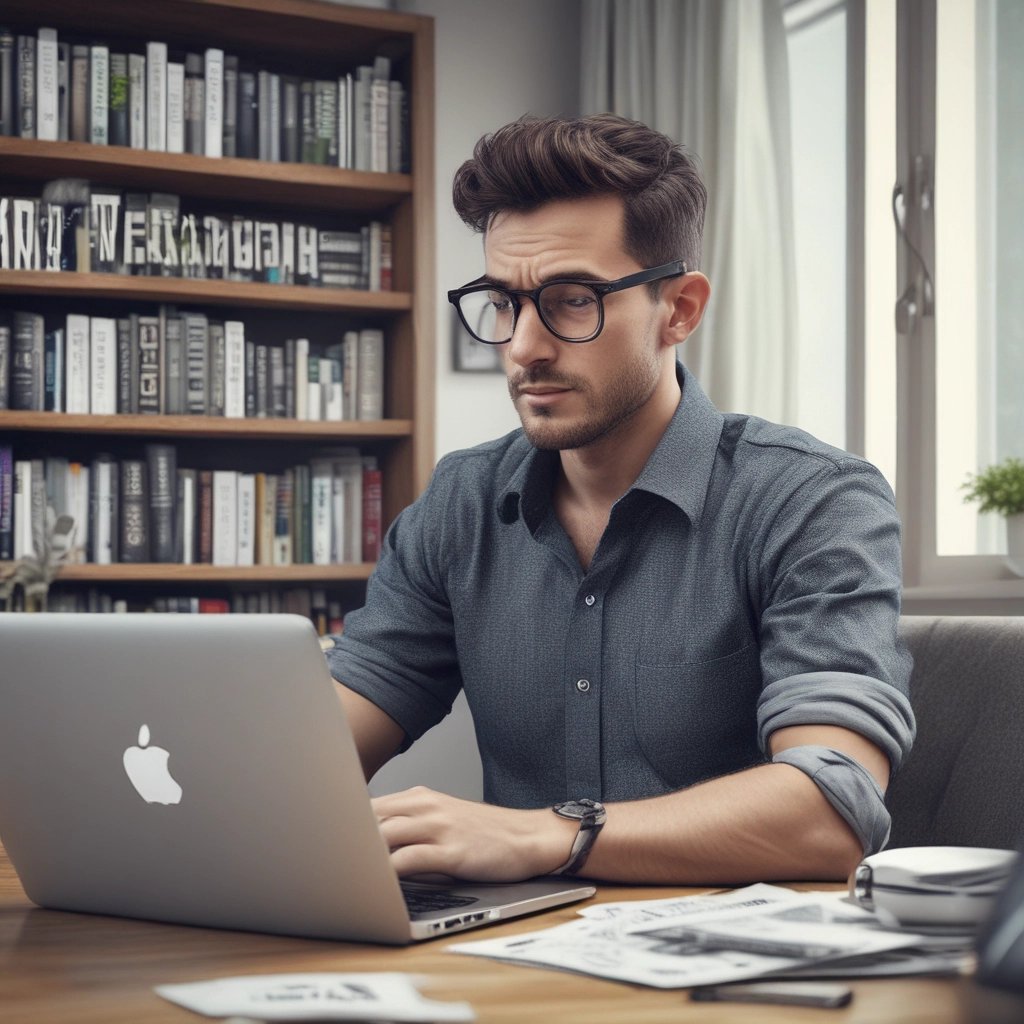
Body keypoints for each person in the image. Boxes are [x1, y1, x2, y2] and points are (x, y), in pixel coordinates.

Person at [324, 113, 915, 886]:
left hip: (738, 982)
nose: (524, 347)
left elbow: (832, 809)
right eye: (502, 302)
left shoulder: (813, 499)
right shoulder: (460, 503)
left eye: (572, 299)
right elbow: (311, 756)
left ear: (680, 309)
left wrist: (546, 835)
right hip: (505, 968)